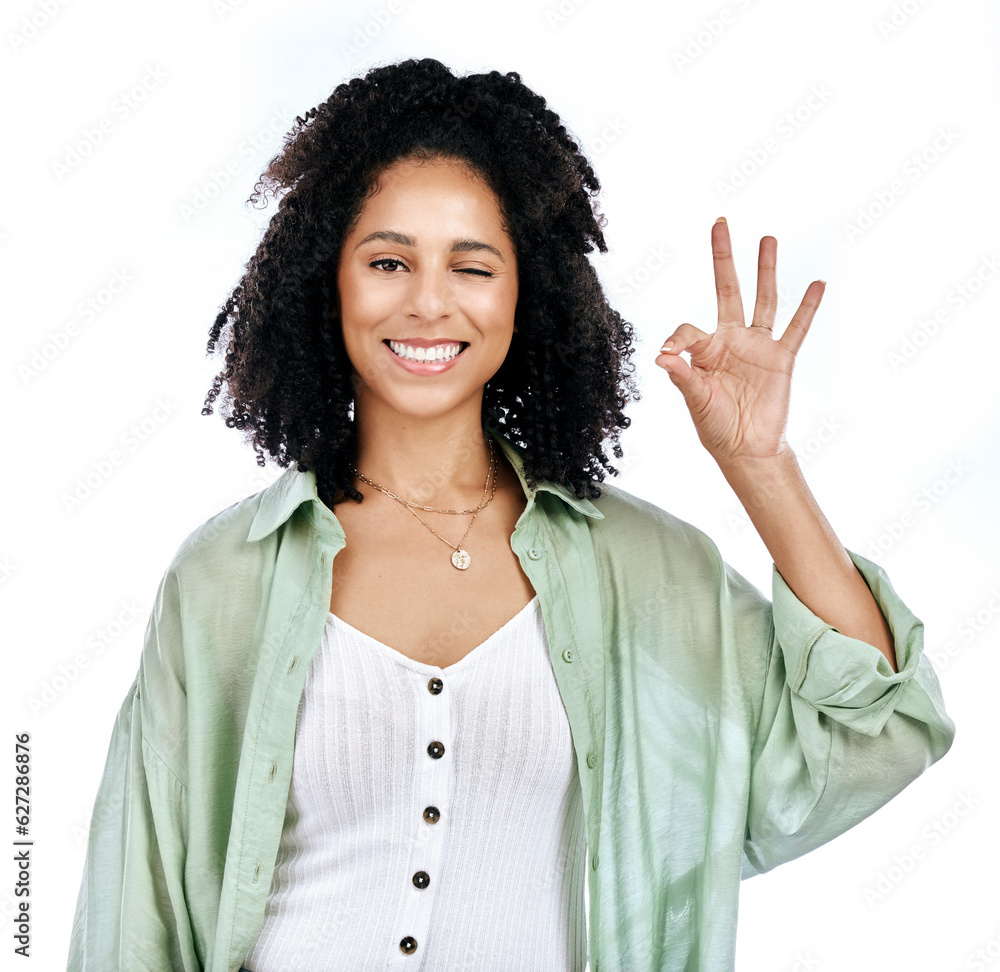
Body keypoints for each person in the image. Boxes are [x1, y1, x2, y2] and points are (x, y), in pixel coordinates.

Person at [67, 57, 955, 972]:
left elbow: (874, 732)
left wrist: (760, 466)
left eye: (472, 266)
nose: (428, 300)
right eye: (387, 261)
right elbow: (138, 916)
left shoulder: (644, 571)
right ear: (325, 282)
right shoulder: (224, 576)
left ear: (524, 292)